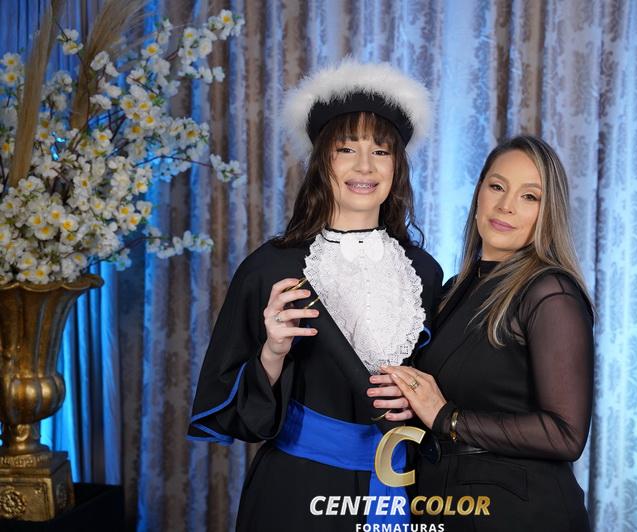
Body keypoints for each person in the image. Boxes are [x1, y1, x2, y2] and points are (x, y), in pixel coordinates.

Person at [188, 59, 442, 531]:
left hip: (395, 484)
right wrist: (272, 352)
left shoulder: (423, 272)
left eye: (381, 151)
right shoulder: (271, 267)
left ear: (397, 166)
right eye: (346, 149)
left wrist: (417, 401)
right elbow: (233, 413)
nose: (364, 166)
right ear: (322, 161)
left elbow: (437, 383)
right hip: (296, 491)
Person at [372, 135, 594, 531]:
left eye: (530, 196)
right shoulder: (452, 291)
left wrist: (448, 417)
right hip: (447, 505)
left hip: (520, 515)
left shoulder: (550, 292)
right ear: (479, 194)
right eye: (497, 186)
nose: (506, 205)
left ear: (548, 213)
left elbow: (566, 435)